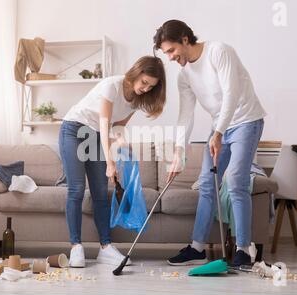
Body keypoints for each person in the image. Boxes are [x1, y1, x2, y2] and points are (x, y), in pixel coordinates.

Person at [153, 20, 266, 267]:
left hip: (246, 121)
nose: (170, 58)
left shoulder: (218, 51)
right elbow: (185, 115)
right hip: (221, 127)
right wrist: (179, 152)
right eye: (166, 53)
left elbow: (231, 94)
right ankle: (197, 248)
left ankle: (245, 250)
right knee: (207, 184)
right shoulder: (184, 76)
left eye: (171, 50)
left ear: (185, 39)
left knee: (236, 181)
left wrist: (218, 133)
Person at [60, 56, 166, 267]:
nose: (145, 89)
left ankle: (105, 247)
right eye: (144, 82)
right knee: (77, 189)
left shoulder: (137, 101)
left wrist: (121, 147)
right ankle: (76, 247)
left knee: (100, 192)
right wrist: (110, 163)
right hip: (74, 130)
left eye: (151, 86)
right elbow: (105, 124)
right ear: (136, 73)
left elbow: (116, 129)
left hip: (97, 135)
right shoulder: (112, 86)